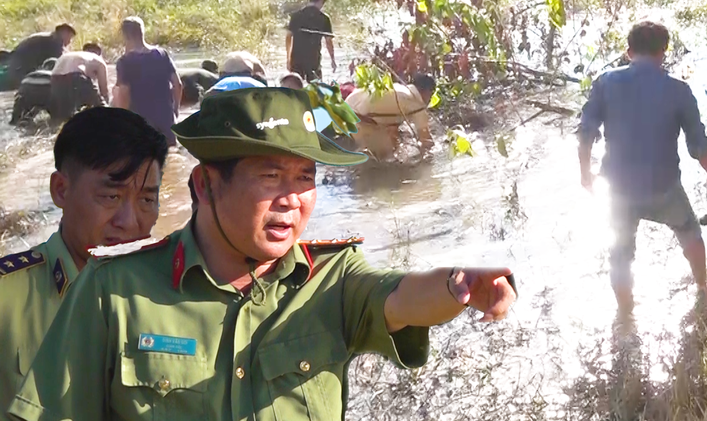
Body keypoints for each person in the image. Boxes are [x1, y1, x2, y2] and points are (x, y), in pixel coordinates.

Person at [7, 87, 517, 421]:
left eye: (305, 178)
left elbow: (400, 296)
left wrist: (461, 285)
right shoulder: (114, 290)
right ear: (205, 185)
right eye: (270, 177)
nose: (291, 200)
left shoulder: (332, 279)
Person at [0, 106, 168, 420]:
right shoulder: (6, 297)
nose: (129, 222)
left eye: (147, 200)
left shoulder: (174, 295)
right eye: (111, 197)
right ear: (61, 190)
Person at [576, 21, 707, 309]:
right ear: (663, 52)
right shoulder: (679, 90)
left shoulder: (605, 82)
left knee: (620, 253)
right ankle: (702, 291)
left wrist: (586, 175)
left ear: (629, 51)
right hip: (664, 187)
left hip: (618, 189)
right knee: (690, 234)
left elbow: (586, 133)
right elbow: (698, 146)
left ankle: (625, 317)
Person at [112, 16, 183, 147]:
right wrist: (175, 109)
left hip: (139, 121)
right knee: (171, 156)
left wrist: (123, 119)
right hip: (165, 118)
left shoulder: (125, 61)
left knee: (142, 159)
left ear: (125, 35)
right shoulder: (162, 54)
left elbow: (123, 91)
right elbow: (177, 84)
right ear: (142, 32)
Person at [345, 73, 436, 160]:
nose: (430, 99)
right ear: (427, 92)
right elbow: (426, 140)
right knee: (383, 155)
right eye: (431, 95)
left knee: (392, 141)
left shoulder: (400, 88)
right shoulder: (416, 104)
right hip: (358, 116)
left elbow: (389, 117)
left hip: (348, 105)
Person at [1, 24, 76, 91]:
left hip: (19, 60)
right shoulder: (55, 40)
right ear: (64, 32)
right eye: (70, 38)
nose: (69, 42)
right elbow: (61, 59)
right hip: (22, 63)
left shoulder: (49, 37)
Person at [48, 42, 108, 121]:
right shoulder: (98, 60)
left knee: (63, 116)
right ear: (98, 53)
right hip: (76, 76)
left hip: (55, 78)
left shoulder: (73, 54)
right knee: (102, 109)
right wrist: (105, 103)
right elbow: (104, 89)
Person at [286, 0, 336, 82]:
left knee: (295, 88)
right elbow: (328, 42)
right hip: (314, 60)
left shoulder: (296, 16)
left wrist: (288, 58)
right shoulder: (324, 18)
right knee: (317, 89)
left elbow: (288, 37)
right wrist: (332, 60)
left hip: (296, 59)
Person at [8, 58, 57, 125]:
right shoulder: (54, 74)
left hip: (26, 92)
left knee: (19, 120)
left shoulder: (31, 74)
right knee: (58, 118)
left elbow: (19, 92)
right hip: (46, 93)